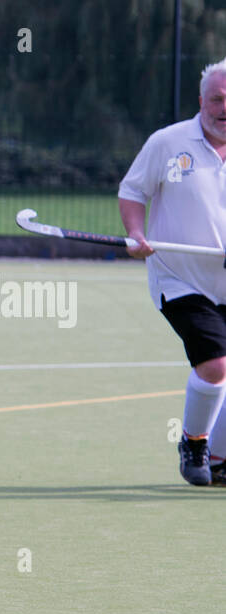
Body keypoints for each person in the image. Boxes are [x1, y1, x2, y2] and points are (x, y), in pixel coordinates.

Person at [119, 57, 226, 487]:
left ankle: (218, 459)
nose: (225, 107)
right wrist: (134, 233)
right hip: (179, 278)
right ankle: (194, 441)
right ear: (201, 101)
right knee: (216, 364)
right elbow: (132, 191)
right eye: (217, 99)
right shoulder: (168, 143)